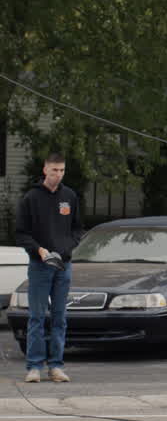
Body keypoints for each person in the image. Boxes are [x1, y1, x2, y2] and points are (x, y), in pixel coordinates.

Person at [15, 152, 82, 383]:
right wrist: (40, 250)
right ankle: (34, 367)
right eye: (54, 170)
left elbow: (77, 230)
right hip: (39, 266)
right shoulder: (31, 198)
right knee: (36, 316)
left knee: (59, 317)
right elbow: (21, 233)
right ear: (45, 170)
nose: (58, 175)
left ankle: (56, 366)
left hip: (63, 266)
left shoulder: (70, 196)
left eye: (62, 170)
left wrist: (66, 248)